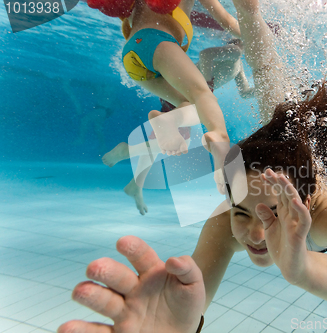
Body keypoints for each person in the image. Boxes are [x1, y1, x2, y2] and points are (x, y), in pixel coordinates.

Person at [58, 1, 327, 331]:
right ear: (228, 190)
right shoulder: (229, 211)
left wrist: (304, 269)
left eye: (275, 213)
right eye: (242, 209)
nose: (252, 231)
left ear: (308, 199)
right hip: (285, 132)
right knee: (271, 89)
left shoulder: (326, 210)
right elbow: (187, 305)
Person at [99, 0, 243, 192]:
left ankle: (170, 122)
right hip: (159, 42)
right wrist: (252, 35)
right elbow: (228, 23)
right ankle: (219, 139)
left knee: (190, 105)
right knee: (203, 96)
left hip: (132, 55)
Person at [102, 41, 255, 215]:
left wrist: (260, 89)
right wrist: (206, 88)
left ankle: (135, 183)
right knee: (178, 139)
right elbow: (206, 54)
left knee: (166, 137)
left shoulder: (238, 64)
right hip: (188, 93)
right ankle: (127, 153)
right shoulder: (235, 51)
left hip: (182, 93)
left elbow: (244, 92)